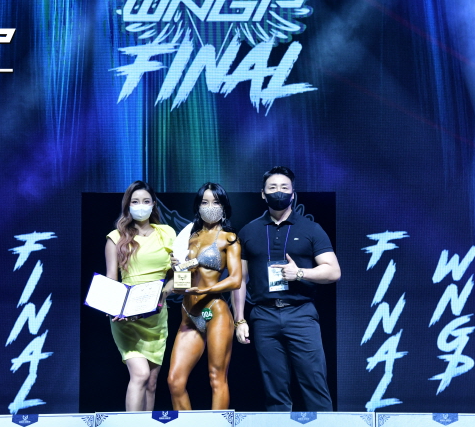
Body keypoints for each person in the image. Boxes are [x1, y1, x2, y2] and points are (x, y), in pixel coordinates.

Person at [232, 166, 340, 411]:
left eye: (284, 187)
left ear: (293, 193)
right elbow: (239, 280)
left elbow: (333, 271)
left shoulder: (311, 229)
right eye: (272, 188)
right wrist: (240, 320)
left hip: (300, 313)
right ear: (263, 194)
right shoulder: (249, 231)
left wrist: (300, 273)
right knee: (275, 389)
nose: (278, 192)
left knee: (314, 382)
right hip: (264, 315)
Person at [167, 183, 242, 410]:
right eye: (205, 202)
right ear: (198, 206)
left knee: (216, 378)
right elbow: (185, 278)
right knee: (175, 381)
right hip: (189, 314)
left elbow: (236, 280)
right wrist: (177, 269)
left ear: (223, 206)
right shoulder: (190, 237)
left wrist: (204, 290)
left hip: (214, 311)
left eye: (215, 202)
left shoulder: (229, 238)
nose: (210, 207)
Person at [105, 181, 175, 411]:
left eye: (146, 201)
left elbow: (177, 276)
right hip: (126, 316)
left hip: (156, 315)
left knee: (152, 383)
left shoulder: (167, 233)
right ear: (128, 205)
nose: (141, 206)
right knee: (141, 374)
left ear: (153, 204)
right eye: (135, 201)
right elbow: (111, 279)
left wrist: (163, 294)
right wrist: (114, 308)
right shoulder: (116, 237)